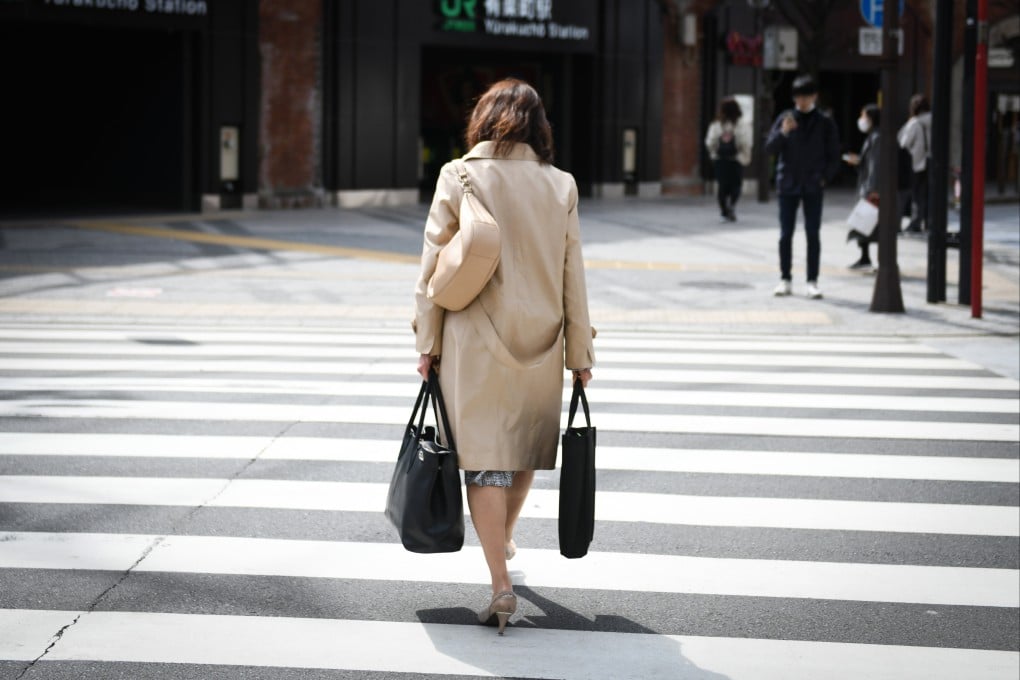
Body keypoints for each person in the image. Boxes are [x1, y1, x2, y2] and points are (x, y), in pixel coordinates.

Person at [413, 79, 596, 636]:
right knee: (521, 453)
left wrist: (427, 343)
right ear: (539, 127)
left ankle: (500, 584)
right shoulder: (561, 184)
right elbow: (573, 276)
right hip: (542, 339)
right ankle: (508, 535)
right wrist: (580, 352)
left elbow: (431, 271)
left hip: (473, 341)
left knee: (485, 459)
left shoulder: (458, 175)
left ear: (484, 121)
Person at [764, 74, 841, 299]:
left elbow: (834, 154)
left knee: (812, 234)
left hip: (813, 185)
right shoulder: (785, 118)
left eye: (806, 97)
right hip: (788, 184)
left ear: (814, 96)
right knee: (785, 234)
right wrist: (783, 132)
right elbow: (769, 148)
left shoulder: (825, 121)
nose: (802, 101)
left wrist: (824, 177)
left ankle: (812, 281)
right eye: (798, 97)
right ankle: (785, 278)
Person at [843, 104, 882, 269]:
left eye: (864, 116)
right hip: (867, 186)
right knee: (864, 223)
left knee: (870, 223)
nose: (862, 120)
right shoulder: (872, 136)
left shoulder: (877, 137)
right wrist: (858, 161)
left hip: (870, 189)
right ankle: (865, 257)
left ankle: (878, 260)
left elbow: (875, 165)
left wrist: (872, 190)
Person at [704, 96, 752, 221]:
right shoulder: (742, 124)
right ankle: (731, 205)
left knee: (722, 186)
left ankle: (724, 210)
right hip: (736, 159)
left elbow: (709, 142)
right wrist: (743, 154)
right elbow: (747, 142)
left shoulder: (716, 124)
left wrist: (714, 153)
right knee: (736, 185)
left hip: (721, 160)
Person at [897, 94, 932, 234]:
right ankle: (929, 222)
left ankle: (916, 222)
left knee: (916, 194)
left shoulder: (914, 123)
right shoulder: (936, 120)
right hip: (932, 162)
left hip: (916, 162)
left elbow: (903, 143)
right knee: (929, 193)